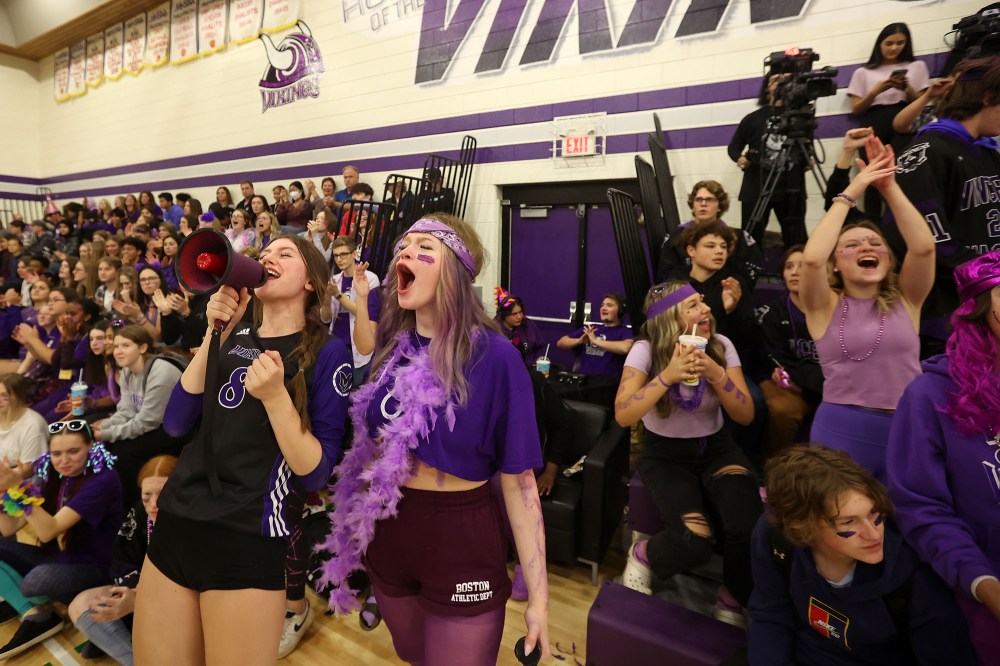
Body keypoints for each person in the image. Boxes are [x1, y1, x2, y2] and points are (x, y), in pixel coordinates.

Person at [320, 214, 550, 664]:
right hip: (390, 532)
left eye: (424, 247)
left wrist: (539, 599)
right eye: (403, 247)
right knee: (413, 655)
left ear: (458, 270)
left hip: (460, 537)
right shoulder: (394, 348)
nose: (404, 253)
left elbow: (520, 484)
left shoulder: (495, 357)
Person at [133, 235, 351, 665]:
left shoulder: (329, 352)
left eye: (285, 253)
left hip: (247, 534)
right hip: (179, 519)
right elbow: (175, 423)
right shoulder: (235, 332)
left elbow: (316, 473)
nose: (269, 257)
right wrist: (216, 334)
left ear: (311, 281)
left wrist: (276, 398)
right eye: (265, 252)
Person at [749, 446, 975, 666]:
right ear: (805, 526)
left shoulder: (915, 578)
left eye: (874, 514)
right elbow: (770, 615)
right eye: (848, 522)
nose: (873, 534)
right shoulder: (777, 538)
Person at [616, 281, 761, 625]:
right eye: (693, 306)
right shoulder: (645, 350)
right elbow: (623, 414)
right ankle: (643, 554)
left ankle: (734, 595)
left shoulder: (721, 345)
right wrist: (667, 376)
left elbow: (745, 415)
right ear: (669, 318)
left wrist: (716, 373)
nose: (706, 309)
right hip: (664, 454)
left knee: (749, 524)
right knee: (694, 540)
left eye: (703, 302)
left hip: (717, 449)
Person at [886, 249, 1000, 663]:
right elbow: (921, 506)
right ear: (980, 309)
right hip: (981, 590)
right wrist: (982, 583)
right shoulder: (931, 394)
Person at [800, 136, 934, 482]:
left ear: (888, 260)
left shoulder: (907, 299)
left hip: (907, 424)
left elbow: (923, 248)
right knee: (841, 512)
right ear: (836, 264)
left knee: (906, 510)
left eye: (875, 242)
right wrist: (853, 190)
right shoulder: (823, 304)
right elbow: (812, 259)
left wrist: (889, 187)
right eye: (852, 245)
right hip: (842, 428)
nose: (866, 246)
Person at [886, 56, 1000, 359]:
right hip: (947, 315)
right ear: (988, 97)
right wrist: (988, 275)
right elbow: (921, 238)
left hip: (990, 302)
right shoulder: (929, 151)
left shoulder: (988, 153)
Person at [0, 420, 122, 660]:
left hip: (99, 567)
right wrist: (4, 492)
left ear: (91, 446)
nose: (64, 460)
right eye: (56, 453)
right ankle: (35, 612)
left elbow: (48, 531)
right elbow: (9, 528)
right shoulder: (52, 473)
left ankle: (95, 610)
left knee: (35, 582)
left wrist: (18, 488)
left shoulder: (103, 479)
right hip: (63, 557)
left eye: (73, 451)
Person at [69, 454, 178, 666]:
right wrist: (131, 592)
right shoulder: (140, 512)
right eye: (147, 496)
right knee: (82, 605)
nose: (153, 505)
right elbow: (122, 559)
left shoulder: (195, 523)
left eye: (163, 495)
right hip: (142, 591)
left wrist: (141, 600)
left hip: (180, 605)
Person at [92, 325, 184, 509]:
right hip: (154, 424)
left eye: (125, 346)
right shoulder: (127, 370)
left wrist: (105, 434)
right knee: (105, 444)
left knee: (122, 452)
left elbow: (148, 421)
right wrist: (102, 428)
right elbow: (126, 411)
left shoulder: (161, 371)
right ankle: (111, 501)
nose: (118, 351)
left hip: (179, 431)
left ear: (142, 348)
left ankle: (133, 506)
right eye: (116, 346)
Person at [757, 246, 824, 457]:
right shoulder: (773, 313)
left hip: (826, 383)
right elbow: (775, 358)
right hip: (788, 382)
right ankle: (777, 466)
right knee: (783, 410)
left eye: (802, 266)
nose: (794, 272)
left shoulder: (835, 308)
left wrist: (814, 385)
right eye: (789, 267)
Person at [728, 74, 808, 248]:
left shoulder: (800, 118)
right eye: (775, 79)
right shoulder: (753, 118)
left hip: (790, 187)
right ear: (767, 87)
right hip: (756, 185)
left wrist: (808, 161)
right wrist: (741, 159)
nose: (780, 83)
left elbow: (807, 149)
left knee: (796, 239)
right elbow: (733, 148)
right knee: (750, 239)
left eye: (786, 80)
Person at [847, 23, 929, 161]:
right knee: (873, 167)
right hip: (874, 122)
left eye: (900, 43)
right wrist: (875, 92)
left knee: (905, 166)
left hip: (905, 119)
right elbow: (856, 109)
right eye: (889, 43)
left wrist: (906, 88)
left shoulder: (917, 66)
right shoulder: (863, 72)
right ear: (880, 44)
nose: (894, 48)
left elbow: (922, 103)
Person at [657, 180, 762, 287]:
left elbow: (751, 272)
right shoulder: (675, 238)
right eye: (698, 200)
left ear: (720, 206)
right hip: (687, 294)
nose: (703, 204)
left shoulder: (739, 237)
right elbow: (665, 275)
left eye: (709, 200)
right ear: (692, 206)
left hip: (725, 292)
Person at [327, 236, 381, 385]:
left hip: (357, 347)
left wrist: (338, 295)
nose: (339, 259)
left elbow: (364, 313)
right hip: (336, 342)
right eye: (336, 255)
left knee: (356, 388)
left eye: (343, 254)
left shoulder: (369, 278)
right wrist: (326, 298)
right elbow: (326, 318)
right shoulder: (334, 280)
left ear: (354, 253)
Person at [556, 293, 633, 377]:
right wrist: (579, 341)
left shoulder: (626, 331)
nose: (603, 308)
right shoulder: (591, 328)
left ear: (621, 311)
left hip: (608, 382)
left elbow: (625, 348)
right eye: (602, 305)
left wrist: (595, 340)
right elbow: (560, 343)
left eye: (609, 305)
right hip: (584, 379)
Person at [0, 374, 48, 479]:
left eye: (5, 396)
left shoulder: (33, 424)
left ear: (18, 397)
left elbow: (28, 469)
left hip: (20, 480)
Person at [494, 288, 546, 365]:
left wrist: (537, 362)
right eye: (514, 314)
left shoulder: (529, 325)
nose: (519, 317)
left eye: (520, 312)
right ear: (503, 315)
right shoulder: (494, 330)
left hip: (530, 367)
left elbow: (541, 347)